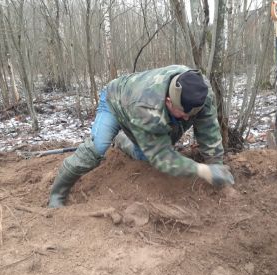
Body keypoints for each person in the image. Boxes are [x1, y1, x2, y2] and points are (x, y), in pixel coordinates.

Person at [48, 65, 234, 208]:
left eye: (190, 115)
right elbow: (162, 158)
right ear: (169, 101)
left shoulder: (201, 91)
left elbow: (208, 130)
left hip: (151, 109)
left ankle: (125, 140)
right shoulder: (147, 107)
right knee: (97, 149)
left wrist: (217, 166)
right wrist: (204, 171)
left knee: (143, 155)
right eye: (183, 114)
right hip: (116, 100)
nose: (187, 119)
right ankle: (57, 194)